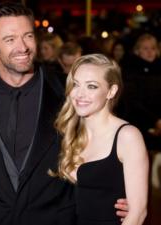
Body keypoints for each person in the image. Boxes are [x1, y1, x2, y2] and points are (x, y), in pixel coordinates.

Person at [0, 2, 128, 225]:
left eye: (28, 36)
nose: (22, 47)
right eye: (10, 39)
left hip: (54, 218)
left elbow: (107, 140)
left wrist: (119, 192)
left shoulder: (70, 91)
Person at [53, 53, 148, 225]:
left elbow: (137, 214)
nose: (79, 94)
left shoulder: (127, 137)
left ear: (111, 91)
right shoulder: (68, 133)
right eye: (76, 84)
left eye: (92, 86)